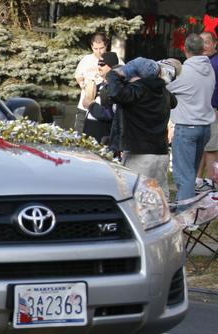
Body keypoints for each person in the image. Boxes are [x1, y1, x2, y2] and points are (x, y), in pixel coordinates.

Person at [102, 58, 176, 192]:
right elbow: (174, 101)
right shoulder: (161, 90)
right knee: (160, 202)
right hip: (161, 153)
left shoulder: (139, 91)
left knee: (137, 200)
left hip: (140, 156)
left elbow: (115, 93)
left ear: (136, 76)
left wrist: (114, 74)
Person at [167, 33, 217, 207]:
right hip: (204, 128)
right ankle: (191, 210)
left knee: (184, 175)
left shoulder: (185, 72)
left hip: (187, 127)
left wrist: (172, 67)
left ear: (185, 49)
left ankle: (186, 215)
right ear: (203, 49)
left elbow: (165, 87)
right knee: (192, 172)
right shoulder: (209, 67)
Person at [73, 33, 111, 132]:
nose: (98, 51)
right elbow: (78, 75)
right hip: (84, 107)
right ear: (91, 47)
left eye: (101, 48)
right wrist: (81, 83)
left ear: (106, 45)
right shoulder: (86, 60)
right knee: (79, 137)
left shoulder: (113, 59)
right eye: (95, 48)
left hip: (101, 110)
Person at [196, 30, 218, 191]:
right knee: (203, 146)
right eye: (201, 42)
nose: (204, 46)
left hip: (214, 110)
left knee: (211, 148)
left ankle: (212, 184)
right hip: (201, 110)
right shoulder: (201, 61)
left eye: (207, 42)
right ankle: (198, 180)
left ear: (215, 44)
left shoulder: (216, 62)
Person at [82, 51, 120, 143]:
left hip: (103, 135)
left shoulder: (115, 87)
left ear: (111, 66)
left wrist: (91, 105)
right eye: (98, 63)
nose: (99, 67)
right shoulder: (99, 85)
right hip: (90, 132)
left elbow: (110, 114)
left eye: (102, 64)